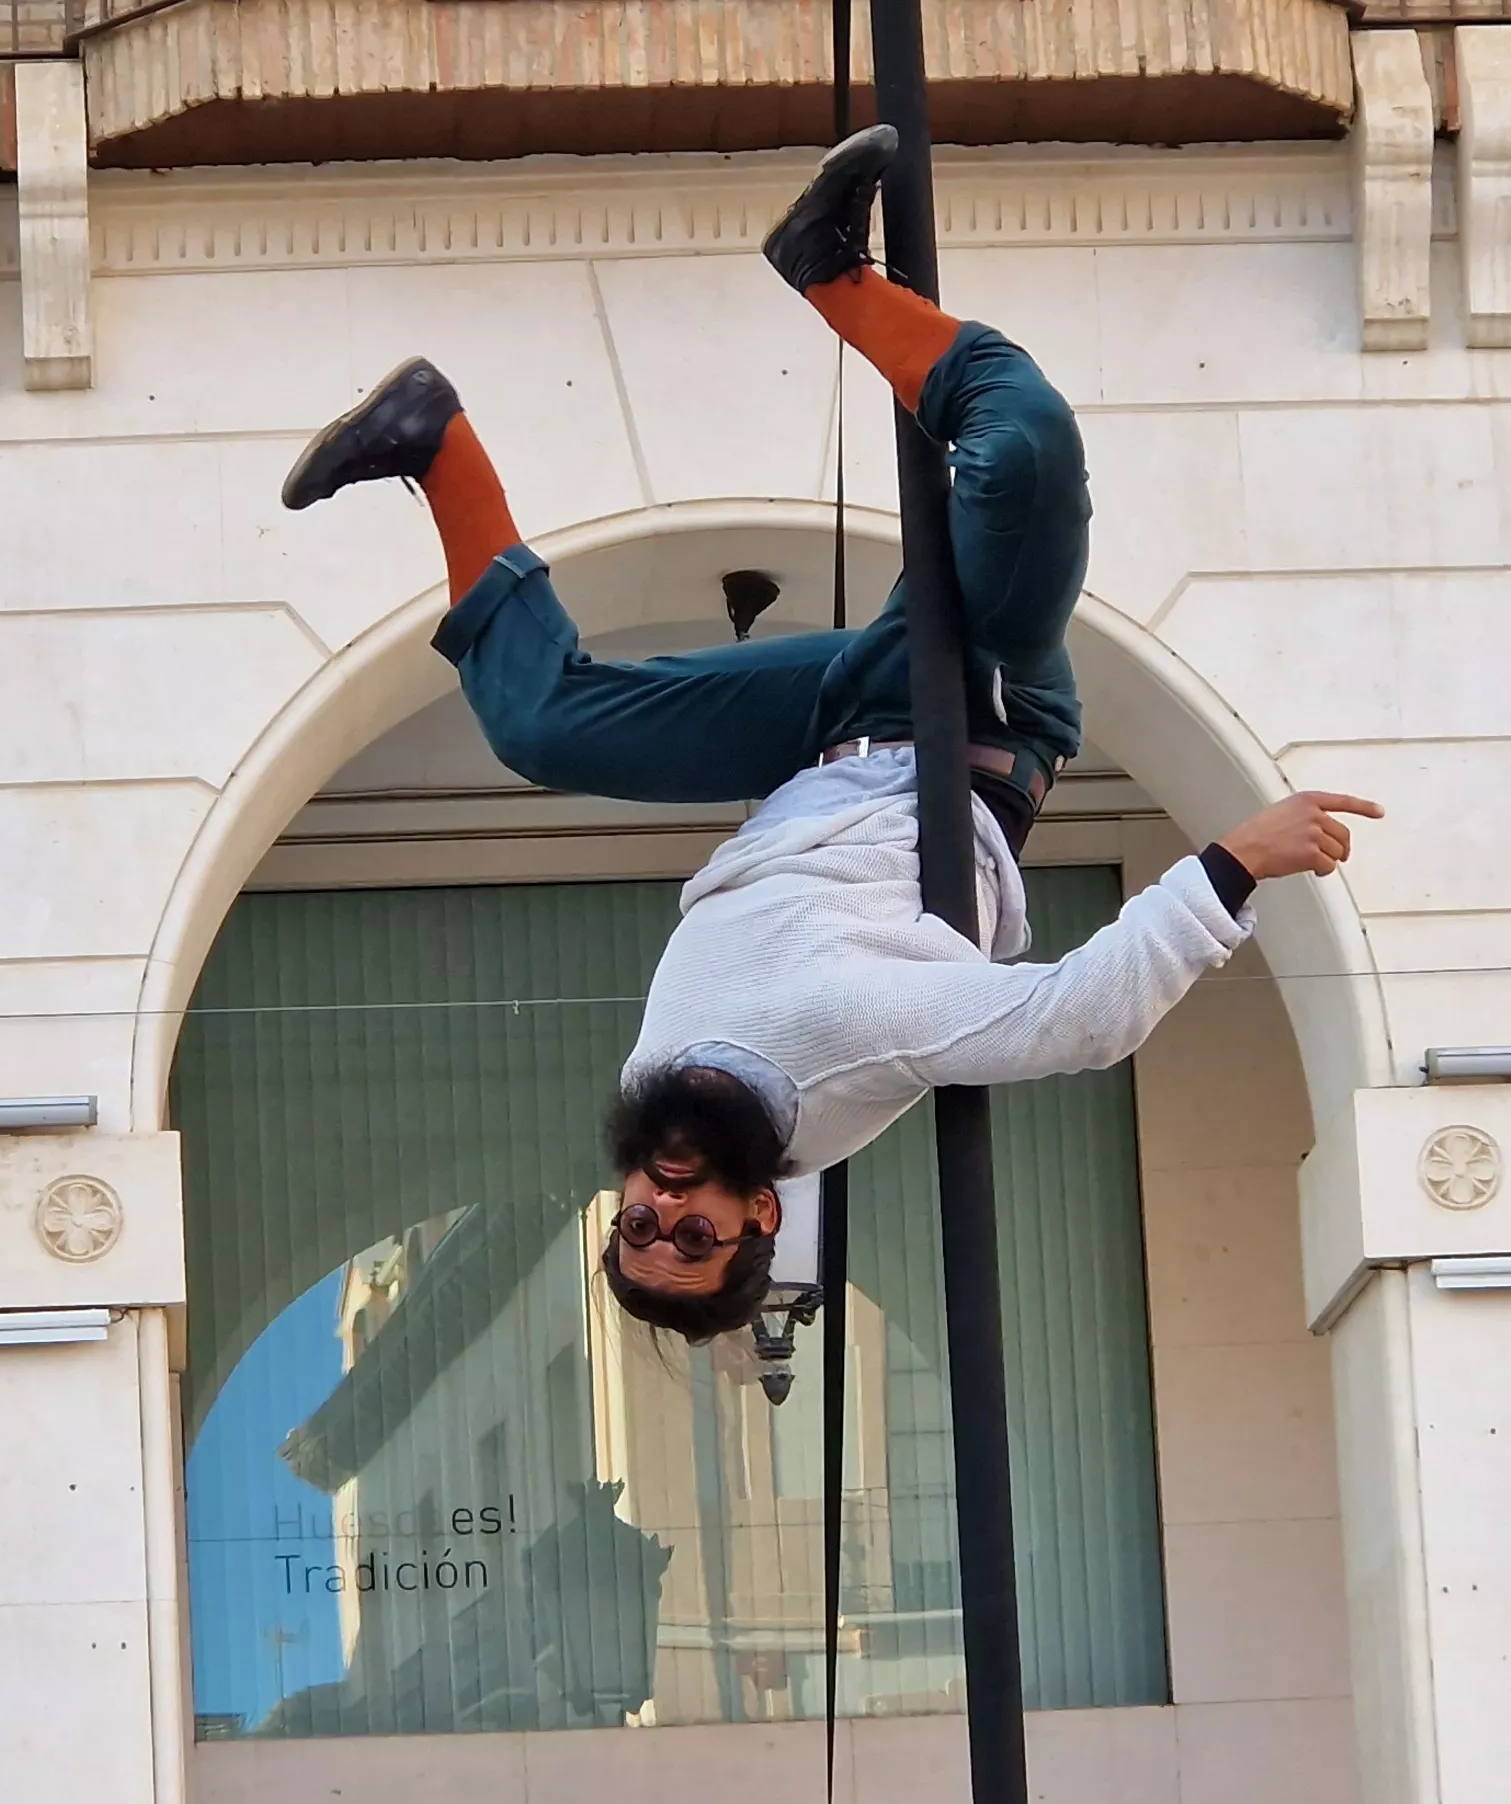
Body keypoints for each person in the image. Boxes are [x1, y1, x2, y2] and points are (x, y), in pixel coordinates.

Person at [280, 126, 1380, 1341]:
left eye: (635, 1226)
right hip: (970, 722)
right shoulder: (846, 1066)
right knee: (1019, 461)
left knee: (543, 726)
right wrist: (1235, 864)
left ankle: (433, 442)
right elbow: (1082, 1018)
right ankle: (835, 278)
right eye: (691, 1237)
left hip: (816, 745)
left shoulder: (659, 1089)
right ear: (760, 1217)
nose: (661, 1207)